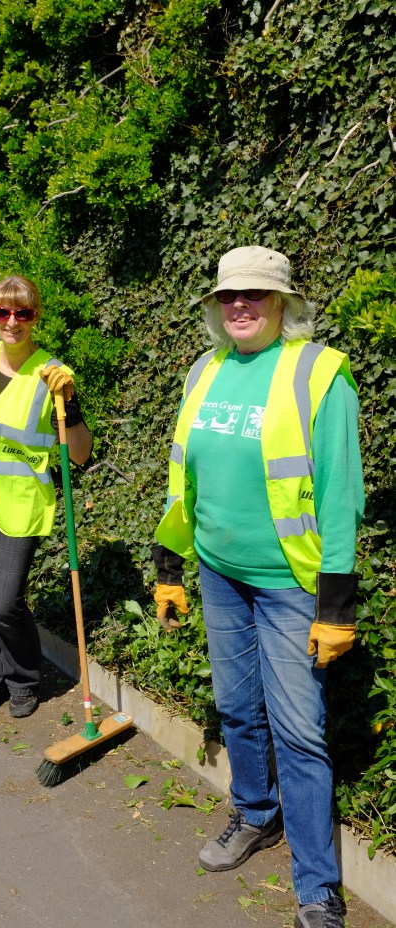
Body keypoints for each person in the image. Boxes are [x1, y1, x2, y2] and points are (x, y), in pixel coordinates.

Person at [152, 246, 364, 928]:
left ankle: (316, 888)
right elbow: (181, 477)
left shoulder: (318, 376)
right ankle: (253, 815)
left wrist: (333, 607)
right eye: (226, 297)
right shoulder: (203, 372)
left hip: (287, 588)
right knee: (236, 708)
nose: (237, 305)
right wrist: (168, 567)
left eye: (254, 295)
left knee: (300, 735)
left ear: (281, 304)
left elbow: (339, 499)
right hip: (218, 573)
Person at [0, 275, 92, 721]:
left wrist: (70, 409)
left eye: (23, 312)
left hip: (19, 499)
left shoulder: (51, 374)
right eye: (2, 311)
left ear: (36, 316)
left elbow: (79, 454)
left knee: (4, 604)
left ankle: (24, 676)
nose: (12, 321)